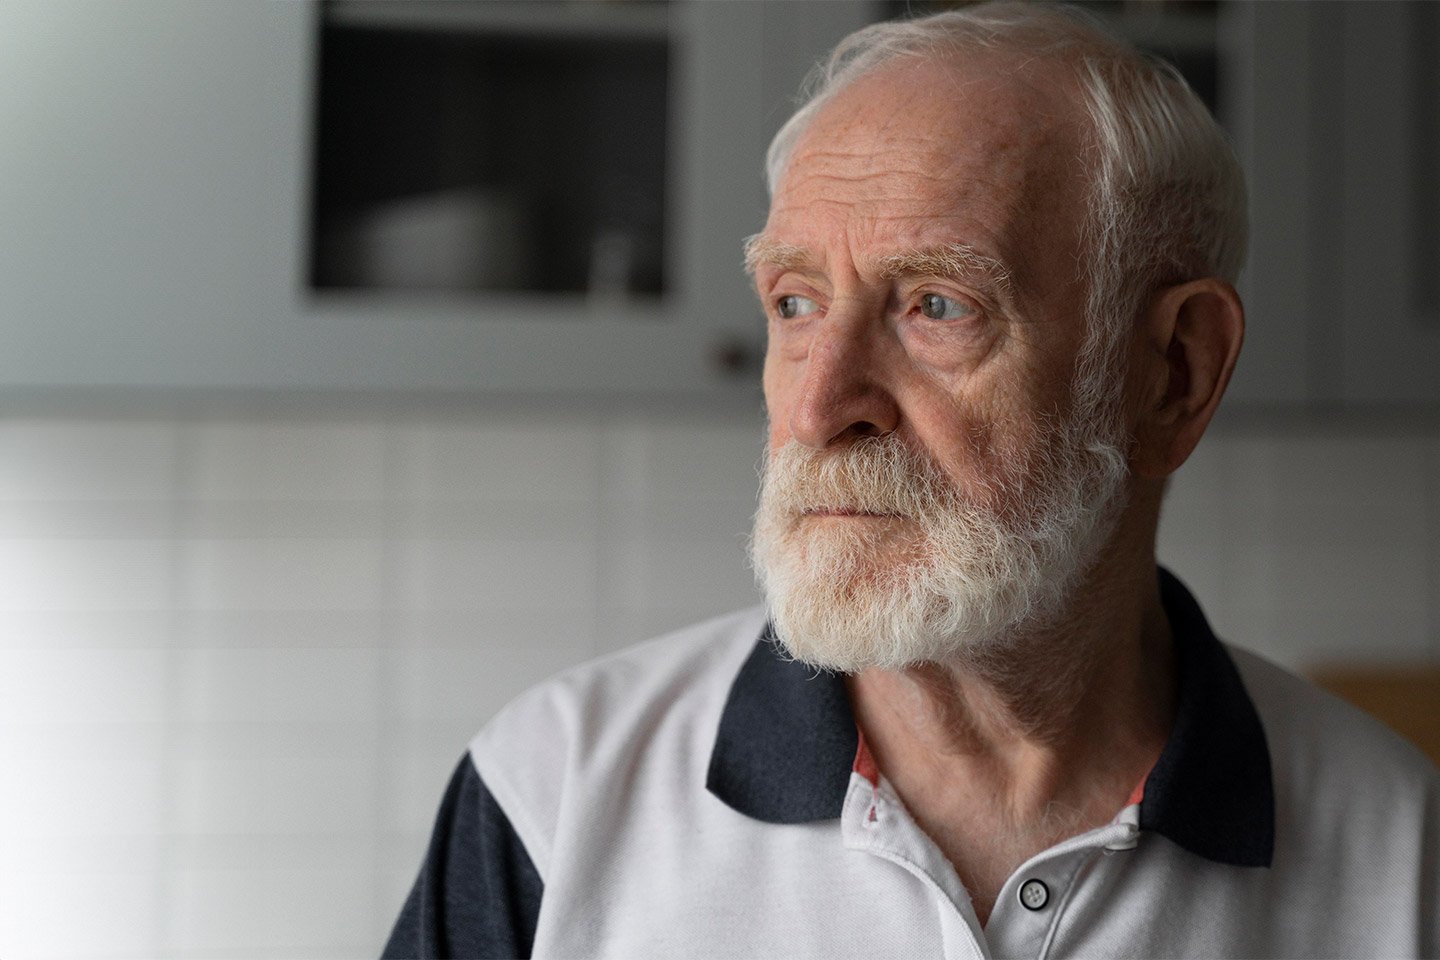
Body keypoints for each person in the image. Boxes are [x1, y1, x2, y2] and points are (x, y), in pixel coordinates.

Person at [383, 4, 1439, 958]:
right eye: (795, 304)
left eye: (937, 305)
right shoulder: (553, 799)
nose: (817, 409)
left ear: (1174, 374)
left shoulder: (1403, 860)